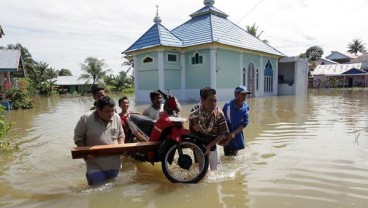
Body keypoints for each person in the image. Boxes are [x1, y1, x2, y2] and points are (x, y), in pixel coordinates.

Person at [73, 96, 125, 186]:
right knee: (97, 191)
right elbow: (78, 138)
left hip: (115, 164)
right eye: (107, 111)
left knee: (115, 195)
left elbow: (121, 135)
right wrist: (84, 152)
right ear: (98, 110)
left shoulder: (117, 117)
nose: (111, 114)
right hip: (95, 165)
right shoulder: (86, 118)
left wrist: (121, 147)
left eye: (113, 110)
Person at [189, 87, 230, 170]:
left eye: (215, 101)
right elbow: (192, 132)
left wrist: (209, 146)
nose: (213, 103)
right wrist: (192, 144)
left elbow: (222, 134)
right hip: (199, 146)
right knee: (204, 172)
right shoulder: (194, 115)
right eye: (210, 100)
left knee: (215, 171)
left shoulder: (219, 114)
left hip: (213, 144)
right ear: (202, 100)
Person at [222, 86, 251, 156]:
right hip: (227, 135)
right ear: (236, 94)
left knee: (235, 155)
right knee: (228, 155)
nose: (245, 96)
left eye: (246, 94)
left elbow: (245, 123)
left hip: (237, 133)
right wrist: (226, 135)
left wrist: (234, 133)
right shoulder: (228, 106)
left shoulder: (246, 107)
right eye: (243, 94)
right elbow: (222, 121)